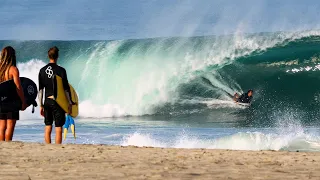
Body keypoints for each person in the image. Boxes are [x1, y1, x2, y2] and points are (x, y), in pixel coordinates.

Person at [38, 46, 73, 144]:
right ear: (57, 56)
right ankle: (57, 148)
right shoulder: (61, 70)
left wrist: (41, 105)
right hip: (58, 102)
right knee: (58, 127)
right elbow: (66, 89)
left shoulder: (42, 70)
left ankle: (48, 147)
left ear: (48, 56)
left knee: (48, 125)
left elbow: (40, 90)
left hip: (47, 102)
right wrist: (69, 103)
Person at [0, 46, 27, 141]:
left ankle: (2, 144)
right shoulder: (13, 69)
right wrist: (23, 101)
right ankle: (8, 143)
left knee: (2, 126)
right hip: (12, 102)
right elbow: (18, 87)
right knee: (10, 126)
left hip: (1, 101)